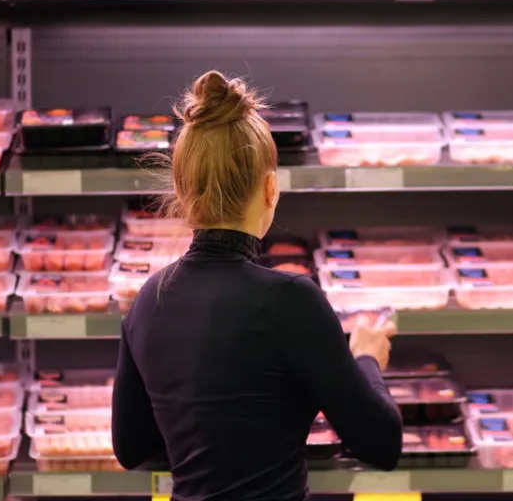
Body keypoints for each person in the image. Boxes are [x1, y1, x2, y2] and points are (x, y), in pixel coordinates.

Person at [111, 70, 403, 501]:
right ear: (270, 189)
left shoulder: (147, 301)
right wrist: (365, 359)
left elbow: (130, 448)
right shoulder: (291, 299)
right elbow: (381, 443)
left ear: (180, 190)